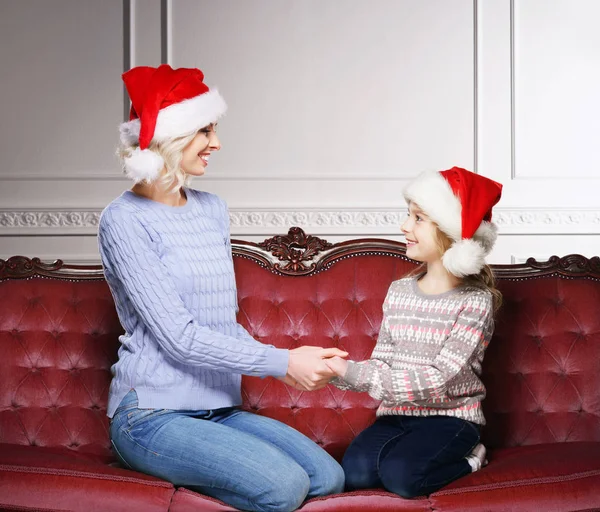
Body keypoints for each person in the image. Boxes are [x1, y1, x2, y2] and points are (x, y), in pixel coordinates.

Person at [98, 64, 345, 512]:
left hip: (218, 409)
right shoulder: (124, 220)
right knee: (283, 487)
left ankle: (187, 483)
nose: (217, 143)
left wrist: (292, 365)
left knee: (328, 477)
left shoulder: (211, 209)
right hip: (151, 414)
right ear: (169, 138)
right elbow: (179, 338)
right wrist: (280, 361)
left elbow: (220, 324)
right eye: (204, 131)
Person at [324, 167, 503, 498]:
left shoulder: (476, 302)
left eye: (418, 218)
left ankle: (472, 459)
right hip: (396, 416)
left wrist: (351, 373)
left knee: (403, 478)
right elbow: (383, 362)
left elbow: (441, 378)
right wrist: (337, 372)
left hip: (451, 419)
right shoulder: (400, 291)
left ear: (451, 232)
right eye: (408, 215)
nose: (405, 226)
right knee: (355, 474)